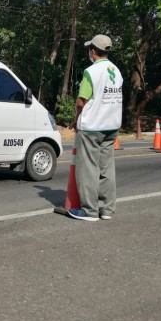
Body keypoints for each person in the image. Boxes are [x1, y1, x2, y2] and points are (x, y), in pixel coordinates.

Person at [67, 34, 123, 221]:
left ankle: (89, 210)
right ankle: (107, 210)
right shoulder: (116, 70)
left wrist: (76, 119)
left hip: (92, 127)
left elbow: (81, 101)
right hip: (111, 126)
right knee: (107, 168)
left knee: (89, 168)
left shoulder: (91, 72)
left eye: (89, 49)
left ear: (93, 51)